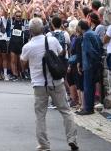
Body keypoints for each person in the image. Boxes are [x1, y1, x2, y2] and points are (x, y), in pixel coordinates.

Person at [20, 17, 78, 151]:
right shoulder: (52, 40)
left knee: (40, 115)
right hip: (56, 81)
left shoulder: (28, 46)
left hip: (39, 83)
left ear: (30, 31)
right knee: (66, 111)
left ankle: (44, 145)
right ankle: (72, 138)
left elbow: (23, 61)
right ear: (42, 29)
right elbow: (61, 52)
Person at [76, 20, 103, 115]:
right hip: (95, 63)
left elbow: (89, 49)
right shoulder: (94, 33)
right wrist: (99, 58)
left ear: (80, 27)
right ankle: (89, 107)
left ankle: (88, 108)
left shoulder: (86, 35)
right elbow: (100, 46)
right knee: (91, 86)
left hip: (89, 63)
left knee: (87, 86)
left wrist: (98, 57)